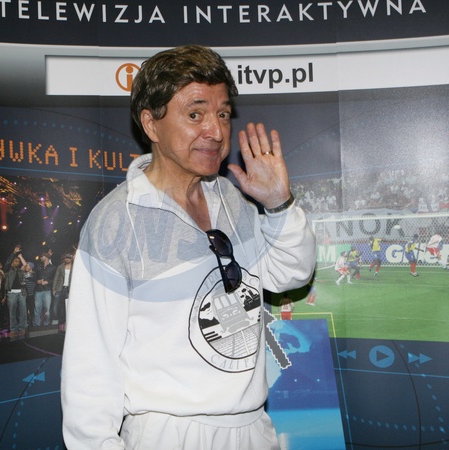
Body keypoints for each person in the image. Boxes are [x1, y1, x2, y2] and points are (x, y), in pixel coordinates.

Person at [60, 45, 316, 450]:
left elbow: (292, 274)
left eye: (223, 114)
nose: (215, 131)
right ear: (151, 124)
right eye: (195, 114)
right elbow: (90, 366)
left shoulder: (233, 200)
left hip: (253, 428)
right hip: (169, 434)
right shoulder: (115, 221)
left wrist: (278, 204)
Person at [4, 245, 27, 338]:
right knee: (12, 311)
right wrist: (14, 253)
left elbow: (25, 265)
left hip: (21, 292)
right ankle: (13, 329)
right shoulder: (8, 270)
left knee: (23, 311)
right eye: (15, 261)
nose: (17, 263)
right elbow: (8, 262)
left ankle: (22, 328)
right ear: (12, 262)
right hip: (11, 293)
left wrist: (20, 257)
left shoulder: (21, 271)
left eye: (18, 261)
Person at [52, 252, 73, 333]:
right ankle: (57, 321)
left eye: (68, 258)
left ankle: (67, 322)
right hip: (60, 288)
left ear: (71, 259)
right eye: (65, 258)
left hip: (69, 289)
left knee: (67, 306)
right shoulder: (60, 267)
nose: (66, 259)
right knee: (56, 306)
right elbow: (56, 278)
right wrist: (54, 289)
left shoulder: (74, 267)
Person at [33, 252, 55, 327]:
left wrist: (47, 282)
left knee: (47, 309)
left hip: (47, 290)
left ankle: (47, 324)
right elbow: (34, 276)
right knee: (37, 308)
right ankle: (36, 325)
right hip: (38, 290)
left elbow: (55, 279)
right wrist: (37, 281)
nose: (40, 258)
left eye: (42, 256)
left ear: (46, 257)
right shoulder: (38, 266)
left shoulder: (53, 267)